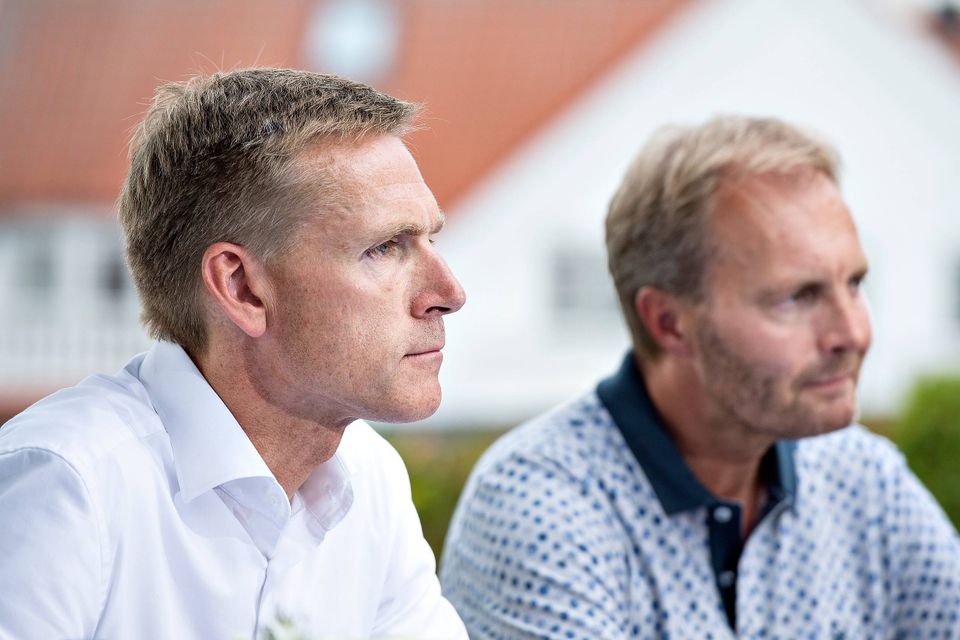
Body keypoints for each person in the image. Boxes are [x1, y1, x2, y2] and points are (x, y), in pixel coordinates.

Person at [440, 115, 960, 638]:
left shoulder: (860, 478)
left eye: (854, 283)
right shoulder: (540, 502)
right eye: (796, 297)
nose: (853, 333)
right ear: (669, 322)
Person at [0, 68, 467, 639]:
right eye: (384, 248)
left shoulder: (370, 477)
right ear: (242, 288)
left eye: (430, 239)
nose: (449, 293)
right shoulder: (67, 488)